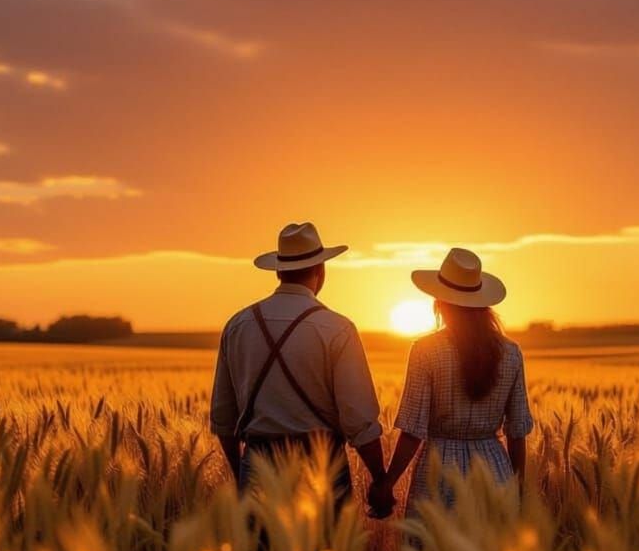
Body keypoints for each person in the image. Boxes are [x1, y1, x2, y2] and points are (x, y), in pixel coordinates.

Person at [210, 222, 394, 518]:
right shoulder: (337, 328)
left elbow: (223, 418)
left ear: (279, 271)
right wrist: (380, 479)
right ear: (321, 270)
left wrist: (242, 476)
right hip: (322, 465)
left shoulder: (238, 325)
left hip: (259, 464)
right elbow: (359, 420)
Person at [385, 247, 534, 511]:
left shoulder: (425, 350)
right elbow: (517, 432)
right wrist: (518, 490)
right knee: (490, 550)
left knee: (434, 549)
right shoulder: (511, 352)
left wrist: (386, 484)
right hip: (494, 472)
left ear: (439, 303)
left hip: (439, 471)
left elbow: (412, 431)